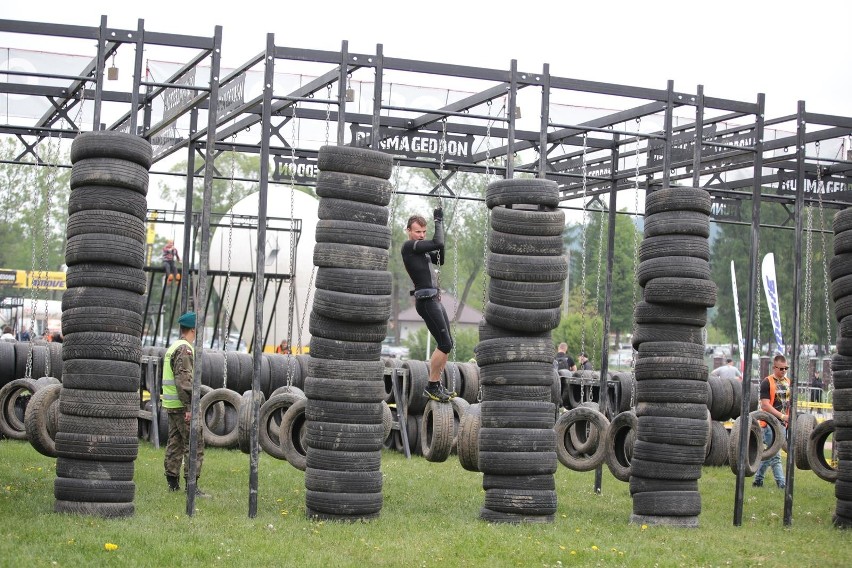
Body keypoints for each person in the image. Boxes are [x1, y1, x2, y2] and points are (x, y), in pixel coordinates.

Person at [402, 208, 455, 403]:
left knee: (447, 344)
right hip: (425, 302)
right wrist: (438, 221)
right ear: (409, 231)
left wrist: (440, 234)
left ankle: (437, 384)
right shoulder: (409, 247)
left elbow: (440, 257)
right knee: (445, 344)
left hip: (435, 299)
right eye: (418, 232)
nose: (422, 235)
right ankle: (431, 386)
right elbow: (437, 242)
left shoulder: (422, 251)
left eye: (424, 232)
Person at [162, 311, 207, 496]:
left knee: (175, 442)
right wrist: (189, 407)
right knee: (194, 442)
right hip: (183, 406)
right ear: (194, 329)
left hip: (173, 405)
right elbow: (184, 381)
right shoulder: (185, 350)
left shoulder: (174, 347)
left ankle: (172, 482)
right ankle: (192, 486)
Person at [753, 354, 790, 489]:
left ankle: (758, 480)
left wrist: (788, 418)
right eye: (781, 369)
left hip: (783, 424)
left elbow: (788, 403)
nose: (784, 371)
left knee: (769, 454)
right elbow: (765, 405)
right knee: (775, 455)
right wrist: (781, 416)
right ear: (774, 367)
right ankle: (782, 485)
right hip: (769, 425)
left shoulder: (788, 382)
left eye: (786, 368)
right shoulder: (767, 382)